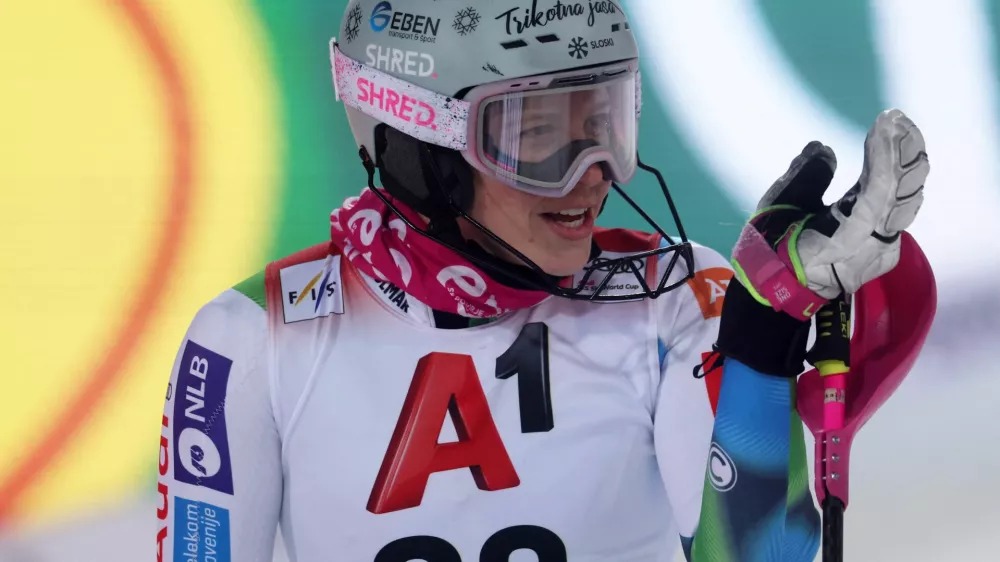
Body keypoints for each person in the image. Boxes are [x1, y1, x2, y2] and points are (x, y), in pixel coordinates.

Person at [155, 1, 929, 561]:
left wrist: (762, 332)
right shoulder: (251, 341)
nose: (591, 179)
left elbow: (768, 559)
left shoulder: (677, 298)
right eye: (537, 139)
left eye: (603, 125)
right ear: (422, 150)